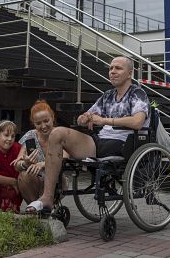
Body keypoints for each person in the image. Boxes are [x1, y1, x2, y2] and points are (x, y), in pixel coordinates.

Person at [25, 56, 149, 214]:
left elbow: (138, 122)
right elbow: (85, 116)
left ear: (130, 73)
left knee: (67, 135)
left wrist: (105, 120)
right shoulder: (108, 96)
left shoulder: (137, 93)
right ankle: (47, 198)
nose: (112, 72)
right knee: (57, 133)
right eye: (110, 68)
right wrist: (84, 119)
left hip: (123, 143)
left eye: (118, 68)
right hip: (99, 141)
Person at [12, 100, 62, 205]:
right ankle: (36, 208)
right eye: (38, 123)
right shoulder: (30, 136)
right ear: (33, 123)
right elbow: (17, 165)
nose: (43, 126)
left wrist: (43, 164)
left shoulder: (60, 134)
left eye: (46, 121)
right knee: (23, 175)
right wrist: (24, 163)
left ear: (52, 118)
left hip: (56, 180)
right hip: (36, 181)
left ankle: (45, 205)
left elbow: (65, 157)